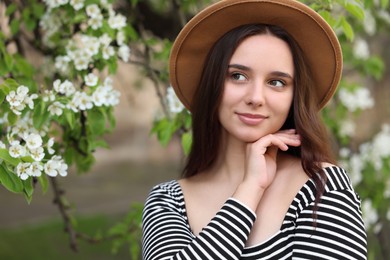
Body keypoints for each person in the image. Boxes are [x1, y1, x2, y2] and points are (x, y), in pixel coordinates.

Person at [142, 0, 367, 259]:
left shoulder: (321, 187)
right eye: (237, 76)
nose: (256, 97)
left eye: (276, 82)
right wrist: (249, 190)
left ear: (294, 97)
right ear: (212, 83)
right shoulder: (167, 202)